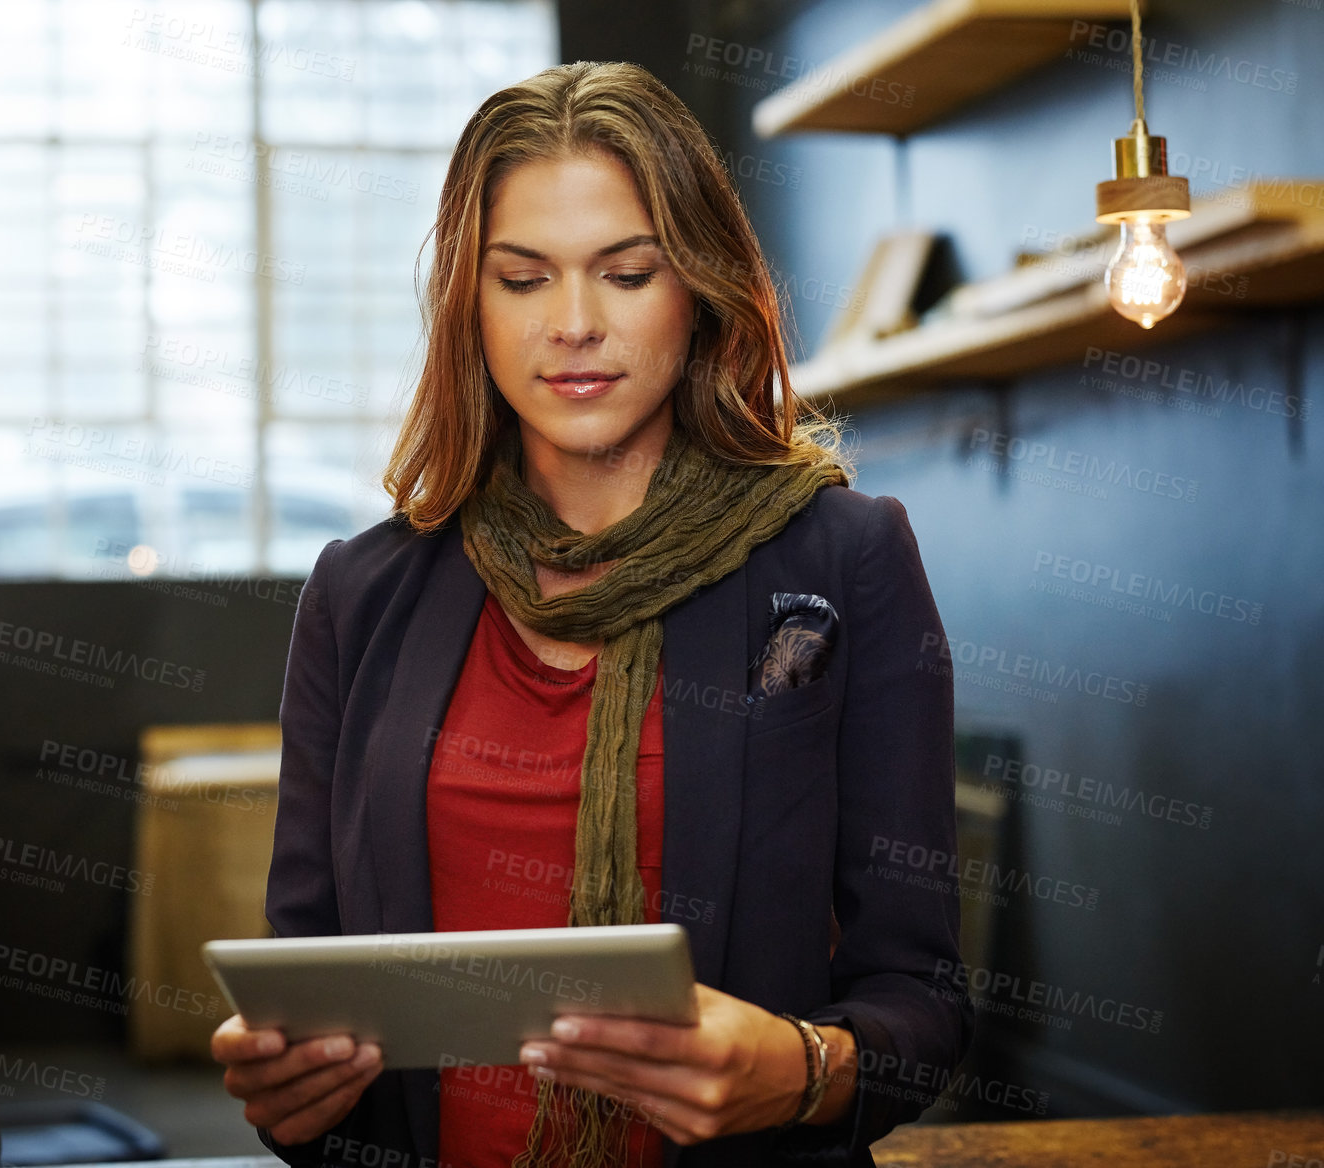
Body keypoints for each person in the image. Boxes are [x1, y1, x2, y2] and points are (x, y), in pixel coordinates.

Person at [212, 60, 973, 1168]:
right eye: (521, 279)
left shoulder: (845, 556)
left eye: (625, 273)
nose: (573, 324)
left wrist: (801, 1072)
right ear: (467, 303)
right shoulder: (361, 593)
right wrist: (290, 1092)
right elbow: (309, 985)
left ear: (698, 286)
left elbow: (924, 1002)